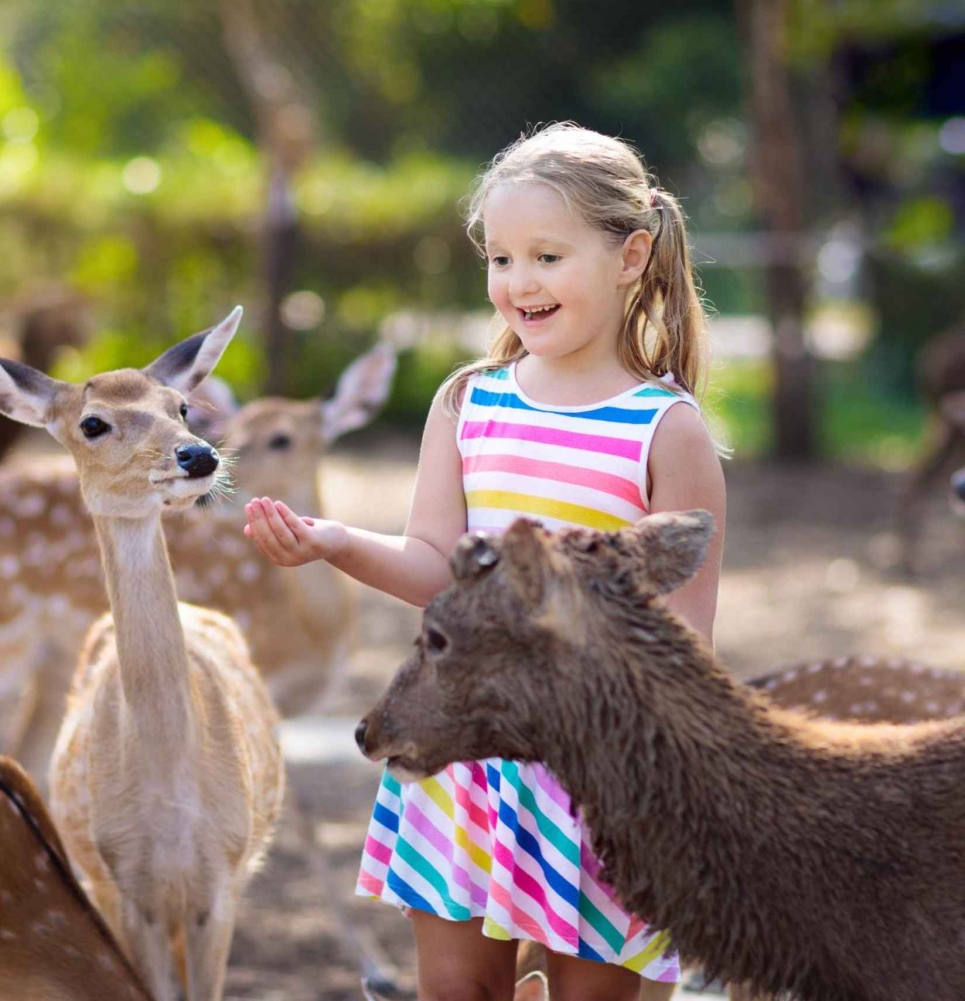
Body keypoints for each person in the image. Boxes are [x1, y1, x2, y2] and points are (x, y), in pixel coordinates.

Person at [244, 122, 727, 1001]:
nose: (518, 283)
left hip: (601, 775)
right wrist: (336, 542)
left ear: (632, 256)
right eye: (501, 259)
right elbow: (437, 568)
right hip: (465, 761)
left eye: (546, 255)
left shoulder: (666, 428)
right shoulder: (468, 402)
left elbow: (685, 637)